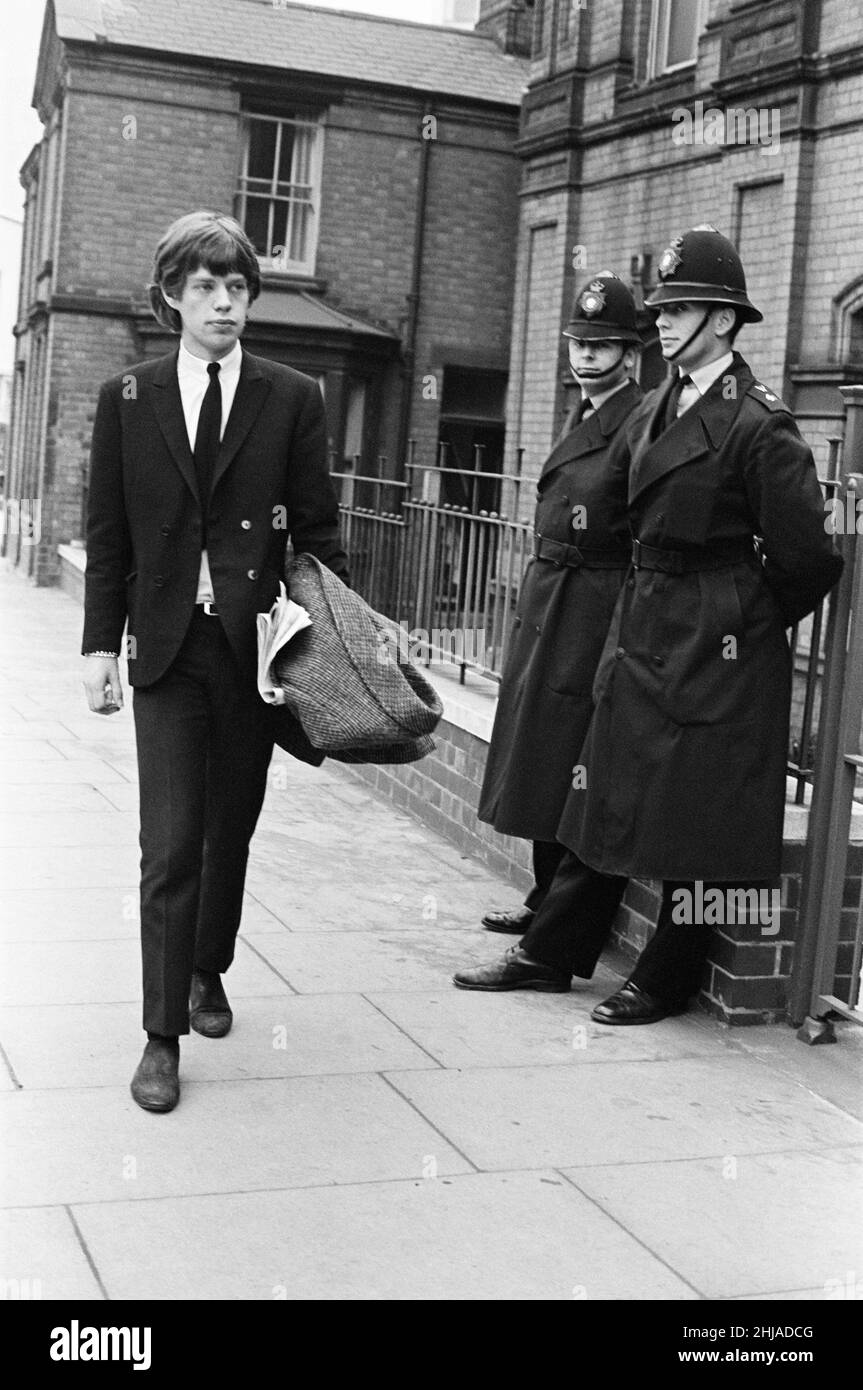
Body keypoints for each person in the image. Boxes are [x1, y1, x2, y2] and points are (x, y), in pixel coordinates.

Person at [455, 225, 843, 1022]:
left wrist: (737, 617)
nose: (661, 322)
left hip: (713, 639)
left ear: (723, 321)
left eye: (680, 309)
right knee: (599, 790)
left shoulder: (758, 423)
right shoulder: (661, 402)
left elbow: (806, 557)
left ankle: (665, 977)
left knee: (698, 809)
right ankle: (551, 954)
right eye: (660, 309)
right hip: (642, 621)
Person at [82, 211, 348, 1110]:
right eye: (204, 287)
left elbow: (316, 535)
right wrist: (98, 646)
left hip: (251, 655)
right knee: (168, 843)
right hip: (164, 648)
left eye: (237, 287)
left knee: (228, 829)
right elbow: (107, 534)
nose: (224, 302)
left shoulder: (292, 397)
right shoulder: (127, 397)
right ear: (173, 296)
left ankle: (207, 968)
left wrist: (325, 646)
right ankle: (161, 1035)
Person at [478, 272, 643, 938]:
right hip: (554, 600)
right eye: (579, 343)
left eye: (601, 345)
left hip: (593, 607)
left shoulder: (638, 421)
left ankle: (563, 917)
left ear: (629, 353)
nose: (587, 356)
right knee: (543, 750)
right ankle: (544, 896)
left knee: (572, 751)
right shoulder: (582, 412)